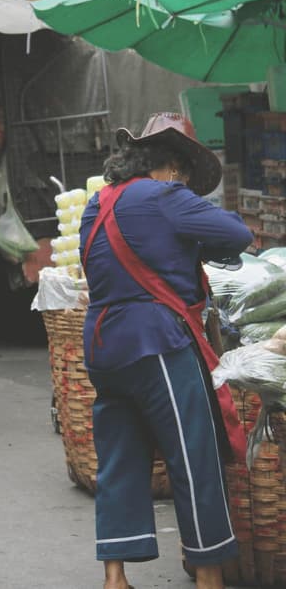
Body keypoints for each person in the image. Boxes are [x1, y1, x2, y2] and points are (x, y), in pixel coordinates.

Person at [79, 112, 253, 589]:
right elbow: (238, 235)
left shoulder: (98, 204)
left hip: (102, 346)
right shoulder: (166, 196)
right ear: (174, 167)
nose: (187, 184)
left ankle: (115, 577)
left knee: (119, 457)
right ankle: (209, 576)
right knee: (193, 454)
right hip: (155, 343)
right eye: (187, 176)